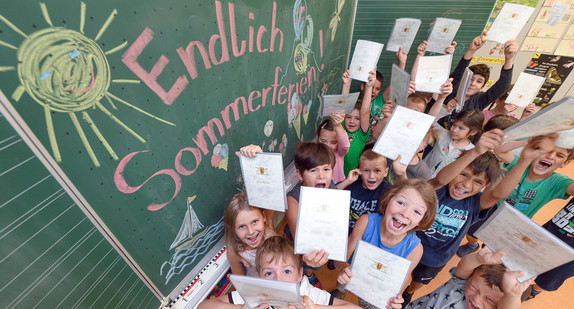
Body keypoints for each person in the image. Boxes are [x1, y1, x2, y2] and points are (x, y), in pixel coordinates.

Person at [403, 129, 541, 305]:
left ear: (486, 185)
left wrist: (524, 161)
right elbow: (441, 179)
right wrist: (476, 151)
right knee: (399, 272)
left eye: (478, 182)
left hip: (437, 258)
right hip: (409, 245)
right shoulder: (437, 189)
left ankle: (409, 291)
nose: (466, 184)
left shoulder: (476, 204)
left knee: (419, 282)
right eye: (464, 174)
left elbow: (498, 195)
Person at [457, 133, 574, 256]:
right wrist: (529, 142)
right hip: (493, 208)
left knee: (492, 249)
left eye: (559, 155)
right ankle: (472, 244)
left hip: (514, 222)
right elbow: (499, 150)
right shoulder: (521, 163)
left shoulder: (558, 182)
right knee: (471, 232)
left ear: (565, 163)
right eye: (546, 151)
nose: (550, 156)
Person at [334, 179, 438, 309]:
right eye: (400, 203)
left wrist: (396, 298)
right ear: (388, 199)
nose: (405, 213)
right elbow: (340, 258)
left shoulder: (415, 249)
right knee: (342, 285)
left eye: (417, 212)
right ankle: (341, 291)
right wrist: (343, 267)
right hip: (352, 276)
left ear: (421, 221)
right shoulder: (366, 222)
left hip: (378, 292)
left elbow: (403, 281)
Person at [240, 143, 331, 287]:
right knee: (305, 263)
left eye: (326, 169)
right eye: (314, 170)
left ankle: (309, 274)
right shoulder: (291, 201)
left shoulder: (332, 192)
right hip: (300, 252)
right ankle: (306, 272)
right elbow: (268, 193)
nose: (321, 175)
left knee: (311, 265)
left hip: (316, 249)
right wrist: (258, 161)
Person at [197, 236, 360, 309]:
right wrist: (241, 308)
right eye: (269, 273)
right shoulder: (256, 294)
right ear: (260, 277)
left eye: (287, 271)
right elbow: (203, 306)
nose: (278, 279)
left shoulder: (308, 295)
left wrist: (316, 307)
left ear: (299, 275)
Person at [433, 31, 518, 130]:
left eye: (479, 81)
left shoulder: (480, 100)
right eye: (470, 79)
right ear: (463, 79)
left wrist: (509, 59)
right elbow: (459, 72)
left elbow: (503, 86)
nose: (473, 84)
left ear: (482, 87)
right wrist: (471, 50)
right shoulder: (452, 89)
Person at [401, 247, 533, 309]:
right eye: (474, 288)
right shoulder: (460, 284)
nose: (476, 298)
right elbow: (464, 267)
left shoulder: (507, 302)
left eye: (490, 300)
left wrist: (513, 295)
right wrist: (478, 258)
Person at [523, 196, 574, 301]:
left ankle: (535, 290)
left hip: (569, 255)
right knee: (523, 257)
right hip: (549, 234)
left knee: (551, 278)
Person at [336, 150, 394, 233]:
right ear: (359, 171)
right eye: (366, 170)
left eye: (377, 171)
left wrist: (401, 175)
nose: (371, 176)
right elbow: (330, 196)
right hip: (345, 233)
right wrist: (347, 181)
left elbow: (406, 197)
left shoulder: (387, 189)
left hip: (369, 236)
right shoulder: (351, 185)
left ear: (385, 172)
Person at [224, 192, 275, 277]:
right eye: (242, 226)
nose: (251, 232)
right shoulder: (234, 251)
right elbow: (241, 283)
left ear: (264, 217)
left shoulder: (269, 233)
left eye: (254, 222)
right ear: (232, 228)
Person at [424, 109, 484, 178]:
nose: (455, 130)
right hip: (420, 175)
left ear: (473, 132)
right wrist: (444, 106)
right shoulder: (443, 134)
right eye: (454, 125)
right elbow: (430, 120)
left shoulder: (471, 151)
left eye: (461, 128)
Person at [341, 70, 376, 176]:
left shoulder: (361, 134)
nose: (352, 121)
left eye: (357, 118)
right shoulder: (341, 128)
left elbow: (364, 113)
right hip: (334, 177)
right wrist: (346, 84)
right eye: (349, 117)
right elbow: (343, 107)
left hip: (351, 177)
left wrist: (369, 87)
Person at [317, 114, 350, 184]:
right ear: (318, 137)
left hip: (338, 182)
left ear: (338, 142)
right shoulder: (314, 151)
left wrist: (338, 125)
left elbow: (345, 146)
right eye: (323, 141)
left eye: (333, 143)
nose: (328, 146)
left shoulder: (339, 152)